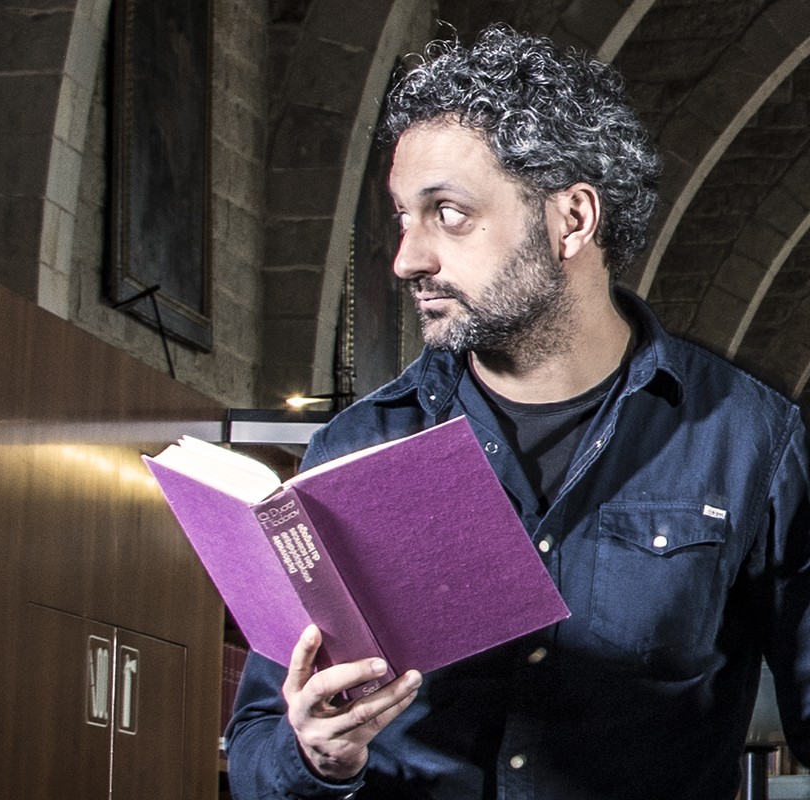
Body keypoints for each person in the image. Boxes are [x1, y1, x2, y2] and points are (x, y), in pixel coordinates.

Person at [224, 23, 810, 800]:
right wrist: (315, 756)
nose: (407, 258)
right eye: (403, 217)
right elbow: (256, 744)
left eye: (449, 213)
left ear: (572, 219)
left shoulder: (751, 440)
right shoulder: (358, 443)